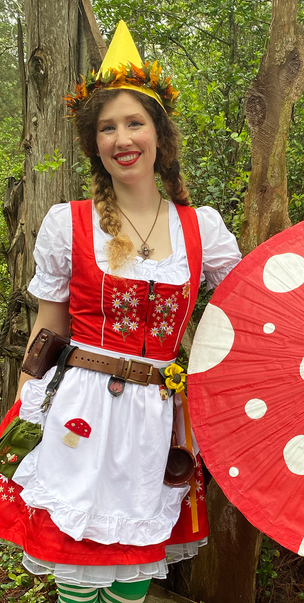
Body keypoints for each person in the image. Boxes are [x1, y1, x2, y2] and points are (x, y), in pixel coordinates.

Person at [0, 20, 241, 603]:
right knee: (76, 572)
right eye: (107, 128)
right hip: (80, 406)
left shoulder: (200, 230)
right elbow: (49, 323)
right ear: (94, 143)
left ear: (159, 134)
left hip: (156, 415)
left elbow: (241, 315)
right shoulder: (69, 223)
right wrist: (26, 405)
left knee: (132, 575)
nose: (121, 137)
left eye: (134, 122)